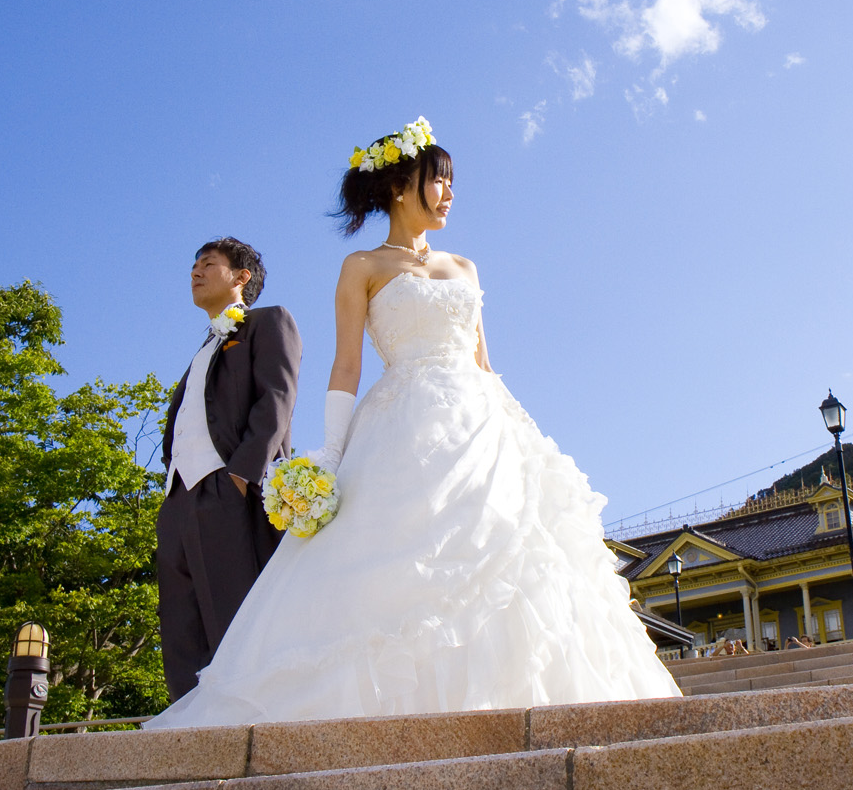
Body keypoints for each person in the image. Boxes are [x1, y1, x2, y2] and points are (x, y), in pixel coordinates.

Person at [147, 119, 680, 727]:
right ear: (403, 185)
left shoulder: (467, 268)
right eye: (440, 181)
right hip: (399, 424)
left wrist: (518, 434)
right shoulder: (362, 266)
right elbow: (346, 367)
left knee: (518, 560)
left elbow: (484, 363)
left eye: (451, 184)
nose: (449, 194)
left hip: (483, 427)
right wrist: (329, 455)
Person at [156, 237, 302, 703]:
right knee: (181, 631)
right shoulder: (203, 347)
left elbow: (276, 399)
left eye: (208, 263)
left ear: (241, 277)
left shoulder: (267, 322)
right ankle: (187, 731)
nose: (195, 272)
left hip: (231, 492)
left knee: (236, 620)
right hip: (179, 500)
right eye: (193, 264)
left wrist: (241, 477)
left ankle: (248, 721)